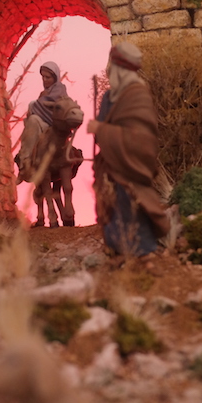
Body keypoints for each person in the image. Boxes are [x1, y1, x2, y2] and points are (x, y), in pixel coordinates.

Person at [87, 41, 170, 257]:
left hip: (130, 165)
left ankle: (142, 251)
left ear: (121, 68)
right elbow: (102, 126)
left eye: (113, 66)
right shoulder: (109, 97)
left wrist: (101, 129)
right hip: (110, 164)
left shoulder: (137, 96)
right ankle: (115, 248)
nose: (110, 71)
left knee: (131, 204)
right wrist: (100, 130)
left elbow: (140, 140)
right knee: (110, 205)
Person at [16, 61, 67, 184]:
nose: (44, 80)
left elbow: (52, 108)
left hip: (53, 126)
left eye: (48, 77)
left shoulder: (60, 90)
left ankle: (24, 161)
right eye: (43, 77)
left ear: (55, 77)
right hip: (42, 122)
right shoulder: (45, 93)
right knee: (31, 118)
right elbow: (40, 106)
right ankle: (25, 163)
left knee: (33, 120)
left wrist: (36, 106)